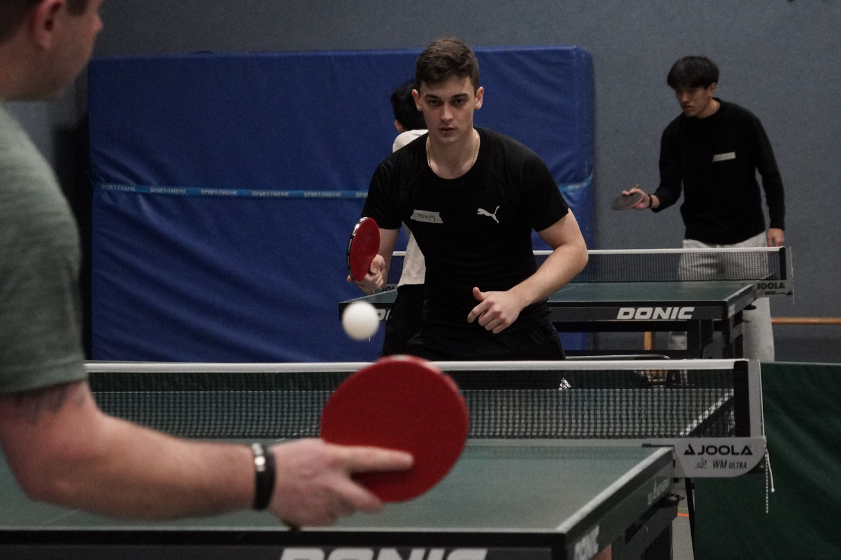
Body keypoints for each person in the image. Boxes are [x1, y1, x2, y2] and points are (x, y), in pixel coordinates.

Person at [0, 0, 412, 527]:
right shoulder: (19, 198)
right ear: (50, 18)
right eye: (95, 12)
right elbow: (61, 457)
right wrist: (268, 474)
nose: (102, 26)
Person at [353, 38, 588, 361]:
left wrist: (518, 297)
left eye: (458, 101)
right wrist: (370, 279)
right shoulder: (395, 173)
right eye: (435, 102)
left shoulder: (517, 166)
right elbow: (375, 264)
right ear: (418, 101)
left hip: (521, 335)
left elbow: (574, 249)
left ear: (478, 98)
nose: (446, 115)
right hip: (440, 338)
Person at [623, 56, 785, 361]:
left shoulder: (743, 123)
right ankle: (683, 388)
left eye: (691, 92)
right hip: (698, 244)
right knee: (686, 325)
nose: (683, 99)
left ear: (711, 88)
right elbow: (670, 187)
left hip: (747, 242)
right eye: (678, 92)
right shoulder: (674, 134)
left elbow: (770, 174)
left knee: (754, 327)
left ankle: (761, 392)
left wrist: (777, 222)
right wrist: (652, 199)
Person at [380, 79, 427, 356]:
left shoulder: (402, 141)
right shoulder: (408, 144)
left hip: (420, 288)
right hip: (420, 283)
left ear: (398, 123)